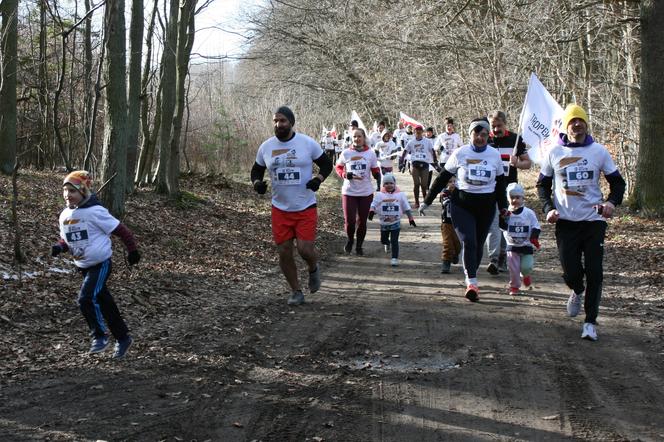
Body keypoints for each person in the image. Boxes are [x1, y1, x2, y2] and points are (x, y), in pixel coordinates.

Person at [537, 103, 625, 341]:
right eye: (572, 121)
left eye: (580, 120)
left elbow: (618, 183)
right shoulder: (555, 153)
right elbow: (542, 185)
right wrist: (548, 208)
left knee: (595, 272)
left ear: (586, 124)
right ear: (566, 126)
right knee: (571, 271)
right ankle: (577, 290)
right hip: (565, 221)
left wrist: (610, 203)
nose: (577, 124)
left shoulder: (599, 151)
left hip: (593, 221)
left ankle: (590, 323)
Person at [51, 171, 141, 358]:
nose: (68, 194)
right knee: (105, 303)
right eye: (65, 190)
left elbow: (121, 230)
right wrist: (60, 247)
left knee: (85, 298)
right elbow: (67, 239)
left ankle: (99, 337)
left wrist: (132, 250)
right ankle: (123, 338)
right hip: (83, 265)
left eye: (73, 191)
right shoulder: (65, 215)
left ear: (83, 192)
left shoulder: (95, 211)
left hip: (100, 264)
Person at [251, 106, 333, 306]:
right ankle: (296, 291)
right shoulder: (266, 147)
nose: (278, 125)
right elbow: (256, 171)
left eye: (282, 121)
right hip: (280, 208)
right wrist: (257, 184)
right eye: (276, 121)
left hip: (305, 206)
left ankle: (313, 268)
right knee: (284, 251)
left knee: (305, 250)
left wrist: (318, 179)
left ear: (291, 122)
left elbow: (327, 164)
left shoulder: (306, 143)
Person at [419, 118, 507, 302]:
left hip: (486, 207)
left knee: (478, 243)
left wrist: (503, 207)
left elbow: (500, 184)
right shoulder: (460, 153)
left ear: (487, 136)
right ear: (470, 134)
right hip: (462, 205)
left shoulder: (494, 155)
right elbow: (442, 178)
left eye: (484, 134)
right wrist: (427, 201)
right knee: (469, 241)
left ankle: (471, 272)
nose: (480, 138)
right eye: (477, 133)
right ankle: (472, 282)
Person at [485, 110, 532, 275]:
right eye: (493, 126)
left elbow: (528, 163)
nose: (496, 129)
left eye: (499, 126)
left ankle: (503, 256)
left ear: (505, 124)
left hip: (509, 188)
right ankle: (493, 259)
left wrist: (517, 162)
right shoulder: (486, 139)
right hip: (489, 188)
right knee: (493, 225)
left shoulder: (515, 139)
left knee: (505, 224)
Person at [336, 128, 381, 256]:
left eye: (359, 136)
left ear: (364, 138)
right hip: (349, 191)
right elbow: (338, 167)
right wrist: (345, 174)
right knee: (350, 221)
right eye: (354, 137)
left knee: (362, 221)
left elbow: (374, 168)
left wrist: (377, 175)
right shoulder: (346, 153)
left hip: (365, 192)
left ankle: (359, 246)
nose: (357, 139)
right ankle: (350, 240)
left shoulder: (370, 153)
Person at [500, 183, 541, 295]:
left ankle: (526, 275)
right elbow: (502, 227)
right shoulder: (506, 213)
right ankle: (514, 287)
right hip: (512, 246)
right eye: (512, 198)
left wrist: (534, 237)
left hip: (526, 245)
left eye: (517, 197)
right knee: (513, 269)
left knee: (526, 267)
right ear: (508, 199)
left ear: (523, 198)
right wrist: (503, 219)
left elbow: (536, 226)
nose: (515, 200)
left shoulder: (528, 213)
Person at [368, 173, 416, 266]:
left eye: (391, 183)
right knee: (383, 240)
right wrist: (371, 211)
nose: (389, 185)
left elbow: (406, 208)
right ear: (383, 185)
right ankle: (387, 243)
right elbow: (373, 204)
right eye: (386, 183)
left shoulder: (400, 195)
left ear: (394, 184)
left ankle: (394, 258)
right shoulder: (379, 195)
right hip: (384, 223)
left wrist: (411, 218)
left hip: (396, 222)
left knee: (395, 241)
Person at [402, 125, 437, 208]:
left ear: (422, 132)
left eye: (420, 131)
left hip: (425, 165)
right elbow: (405, 151)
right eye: (416, 131)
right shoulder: (411, 142)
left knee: (424, 185)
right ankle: (417, 201)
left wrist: (435, 161)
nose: (418, 133)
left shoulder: (427, 141)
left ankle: (425, 200)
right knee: (416, 184)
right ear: (414, 132)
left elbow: (432, 151)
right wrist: (401, 161)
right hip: (415, 165)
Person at [439, 176, 461, 274]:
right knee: (447, 243)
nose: (452, 183)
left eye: (454, 181)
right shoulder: (445, 193)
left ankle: (455, 254)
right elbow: (445, 202)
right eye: (450, 181)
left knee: (458, 243)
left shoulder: (461, 192)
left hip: (459, 223)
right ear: (446, 183)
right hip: (446, 222)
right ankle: (446, 262)